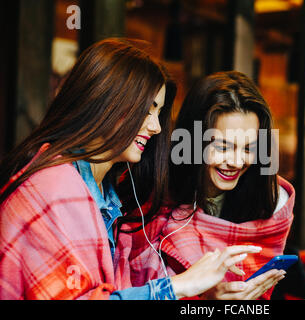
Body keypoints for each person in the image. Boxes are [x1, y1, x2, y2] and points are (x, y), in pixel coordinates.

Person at [0, 38, 261, 300]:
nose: (156, 127)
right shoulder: (56, 188)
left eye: (158, 113)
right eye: (147, 111)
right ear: (104, 104)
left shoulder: (107, 193)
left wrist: (204, 299)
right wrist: (178, 286)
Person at [123, 71, 294, 300]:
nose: (236, 162)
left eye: (248, 149)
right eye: (223, 147)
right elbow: (130, 287)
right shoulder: (150, 193)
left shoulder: (271, 202)